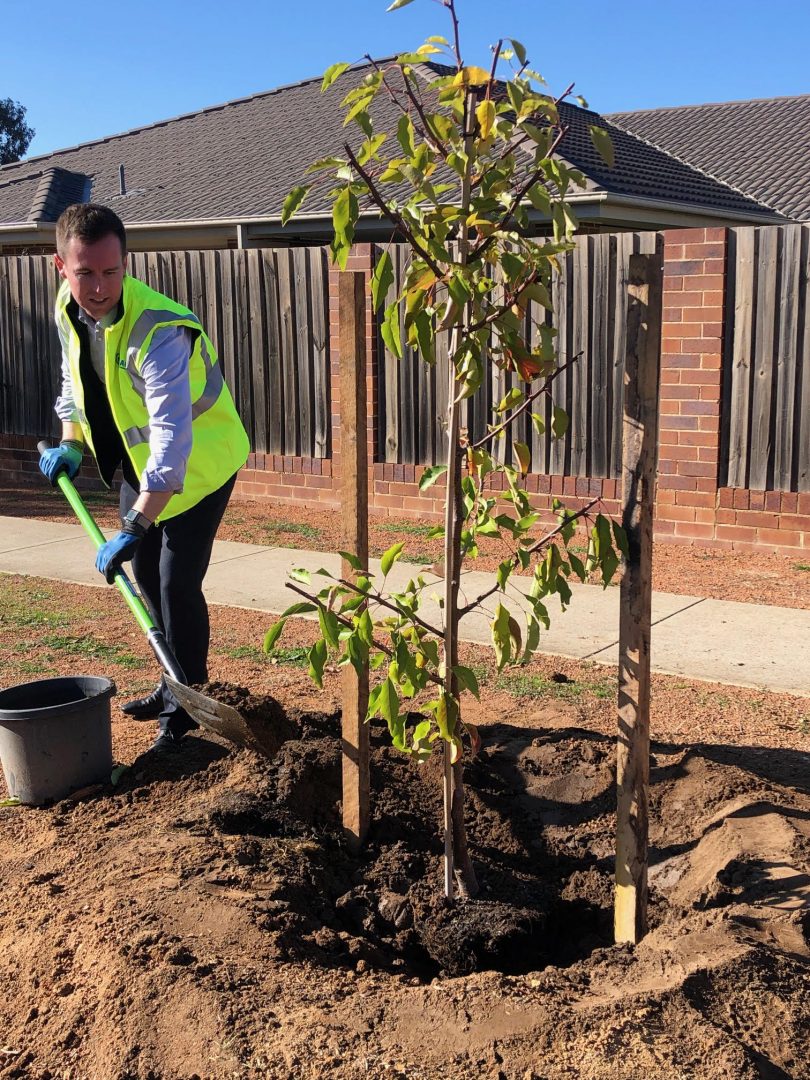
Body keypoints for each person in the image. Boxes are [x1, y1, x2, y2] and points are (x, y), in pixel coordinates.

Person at [39, 203, 250, 754]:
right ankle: (170, 685)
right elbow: (74, 377)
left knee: (177, 585)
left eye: (112, 271)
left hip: (199, 468)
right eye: (86, 272)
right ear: (61, 267)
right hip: (144, 467)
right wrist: (69, 442)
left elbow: (171, 432)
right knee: (145, 576)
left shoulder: (158, 329)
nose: (101, 286)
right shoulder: (69, 307)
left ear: (125, 263)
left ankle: (188, 709)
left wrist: (136, 519)